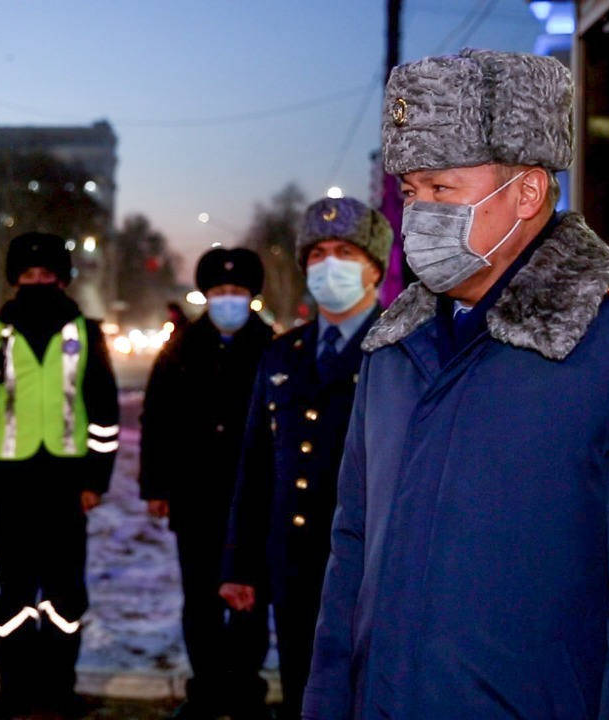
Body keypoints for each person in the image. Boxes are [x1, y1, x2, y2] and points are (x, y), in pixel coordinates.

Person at [303, 49, 609, 719]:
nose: (417, 216)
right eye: (410, 193)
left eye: (442, 190)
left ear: (527, 192)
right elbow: (352, 559)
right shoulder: (396, 349)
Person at [221, 196, 390, 720]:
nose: (328, 265)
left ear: (375, 267)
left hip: (372, 566)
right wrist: (240, 565)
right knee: (302, 686)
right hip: (291, 562)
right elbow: (255, 468)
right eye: (316, 255)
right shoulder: (282, 353)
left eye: (344, 251)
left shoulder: (400, 348)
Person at [0, 231, 120, 718]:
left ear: (64, 280)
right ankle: (14, 688)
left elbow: (104, 412)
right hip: (12, 484)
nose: (37, 283)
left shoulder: (87, 333)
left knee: (65, 590)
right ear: (14, 281)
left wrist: (96, 479)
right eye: (28, 276)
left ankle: (58, 688)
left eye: (47, 275)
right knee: (15, 589)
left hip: (68, 484)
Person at [139, 247, 273, 720]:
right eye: (219, 292)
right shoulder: (180, 349)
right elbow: (155, 419)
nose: (228, 299)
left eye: (237, 292)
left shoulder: (272, 347)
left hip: (253, 501)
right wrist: (155, 486)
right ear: (205, 295)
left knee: (250, 599)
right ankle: (207, 689)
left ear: (252, 296)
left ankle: (245, 690)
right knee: (199, 599)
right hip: (193, 498)